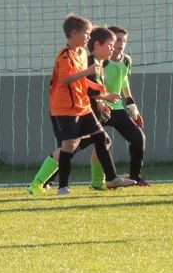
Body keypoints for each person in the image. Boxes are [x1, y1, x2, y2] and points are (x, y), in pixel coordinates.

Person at [24, 15, 136, 196]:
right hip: (65, 109)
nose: (88, 38)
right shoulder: (66, 55)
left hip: (83, 107)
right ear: (74, 34)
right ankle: (39, 184)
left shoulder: (83, 54)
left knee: (101, 139)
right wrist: (94, 84)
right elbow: (67, 79)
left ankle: (104, 181)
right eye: (86, 33)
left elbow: (84, 83)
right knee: (69, 147)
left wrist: (104, 95)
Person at [99, 25, 149, 186]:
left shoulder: (126, 60)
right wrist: (100, 102)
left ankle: (135, 177)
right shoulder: (102, 62)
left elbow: (124, 82)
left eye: (124, 41)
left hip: (117, 108)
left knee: (138, 138)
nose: (121, 44)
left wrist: (132, 106)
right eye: (118, 40)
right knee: (75, 144)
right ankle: (49, 179)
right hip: (99, 107)